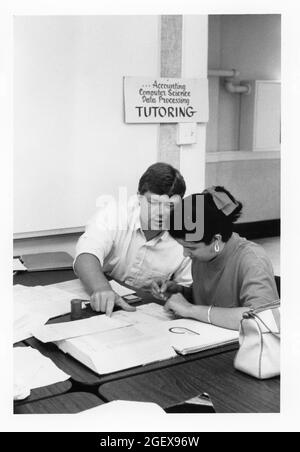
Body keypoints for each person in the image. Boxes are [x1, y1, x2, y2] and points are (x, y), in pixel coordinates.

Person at [151, 186, 279, 331]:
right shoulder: (203, 257)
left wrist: (190, 309)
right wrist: (178, 291)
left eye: (191, 248)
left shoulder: (253, 261)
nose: (185, 254)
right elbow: (211, 298)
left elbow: (263, 319)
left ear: (216, 240)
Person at [74, 162, 192, 316]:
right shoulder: (115, 213)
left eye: (170, 206)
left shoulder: (186, 236)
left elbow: (188, 289)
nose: (162, 213)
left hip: (146, 313)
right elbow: (86, 254)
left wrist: (173, 289)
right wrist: (101, 288)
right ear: (139, 198)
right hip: (99, 297)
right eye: (154, 203)